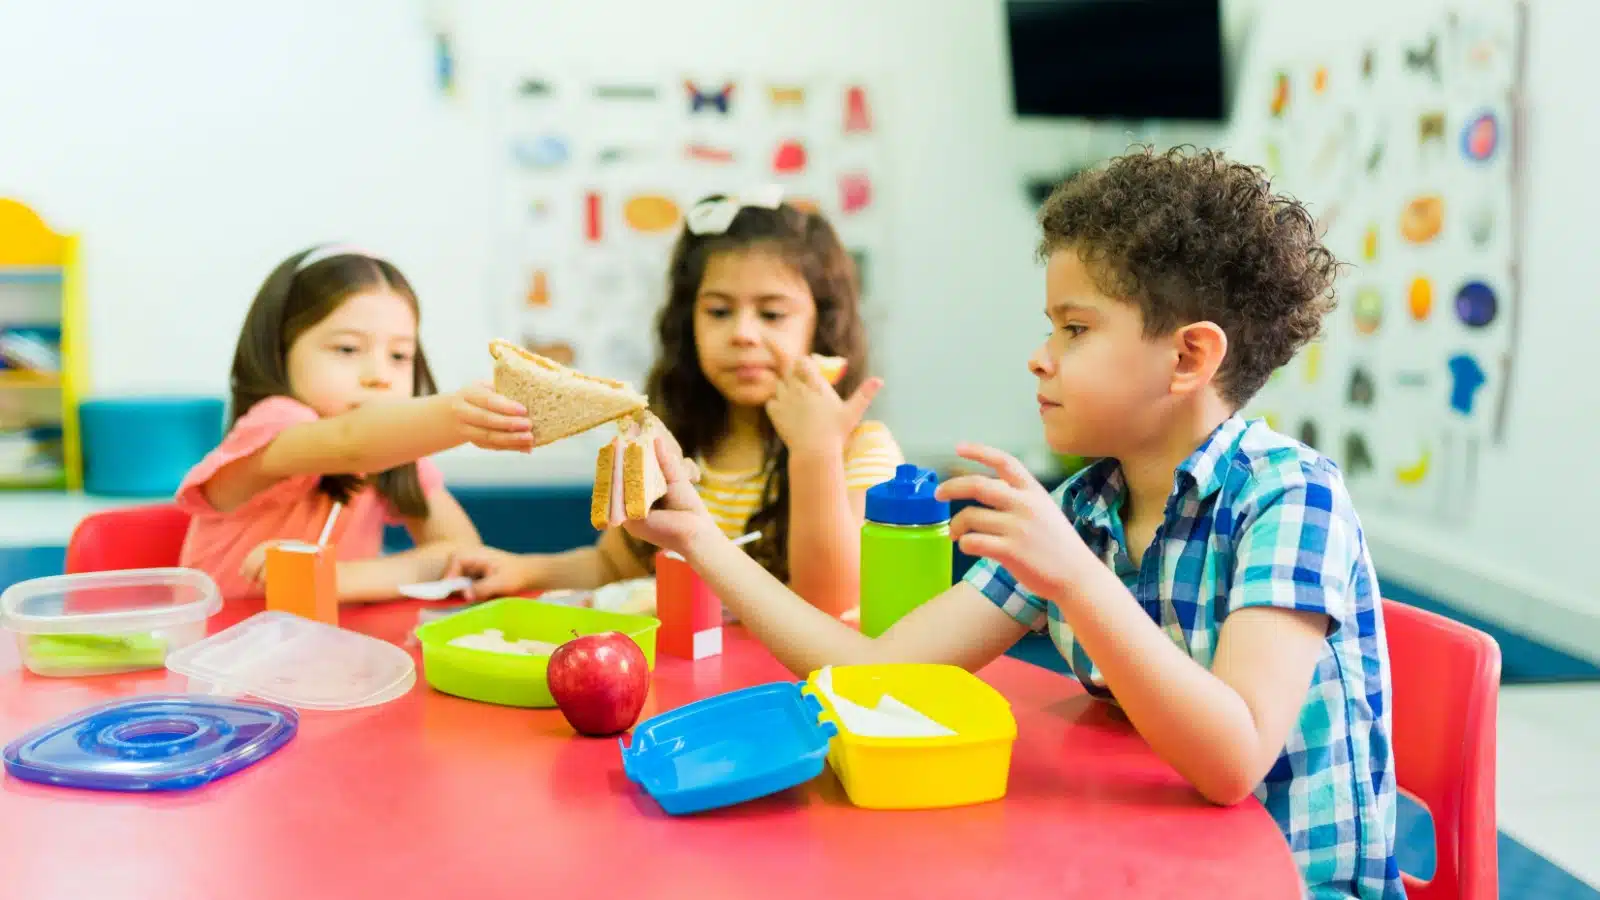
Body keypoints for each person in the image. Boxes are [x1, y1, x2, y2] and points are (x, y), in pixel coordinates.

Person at [619, 150, 1401, 899]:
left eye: (1076, 329)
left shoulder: (1293, 498)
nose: (1039, 356)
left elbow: (1234, 761)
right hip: (1147, 862)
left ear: (1189, 358)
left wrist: (1076, 579)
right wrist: (700, 542)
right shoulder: (1085, 509)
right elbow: (874, 672)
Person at [451, 188, 903, 618]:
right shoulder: (674, 440)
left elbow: (827, 605)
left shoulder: (860, 451)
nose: (744, 333)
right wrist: (524, 569)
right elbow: (617, 570)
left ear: (820, 326)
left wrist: (814, 454)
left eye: (772, 314)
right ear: (689, 324)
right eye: (719, 311)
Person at [176, 244, 534, 601]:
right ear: (280, 353)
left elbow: (463, 553)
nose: (379, 376)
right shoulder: (276, 422)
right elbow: (349, 444)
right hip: (218, 649)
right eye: (347, 349)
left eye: (399, 355)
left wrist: (336, 580)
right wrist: (458, 415)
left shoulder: (393, 451)